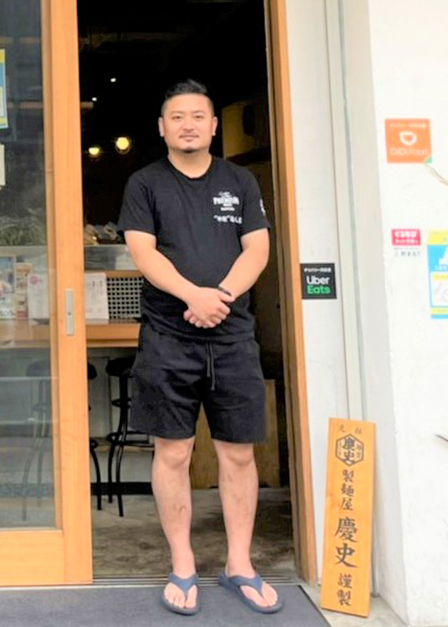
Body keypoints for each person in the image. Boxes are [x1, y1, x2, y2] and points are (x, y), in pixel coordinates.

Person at [118, 80, 282, 617]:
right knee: (173, 452)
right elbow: (142, 251)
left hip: (232, 337)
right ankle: (183, 563)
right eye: (177, 116)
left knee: (238, 452)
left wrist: (221, 297)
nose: (187, 125)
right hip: (169, 336)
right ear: (161, 127)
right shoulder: (145, 184)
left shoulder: (239, 180)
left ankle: (239, 563)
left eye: (197, 116)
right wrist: (193, 296)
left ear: (213, 125)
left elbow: (257, 248)